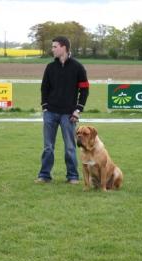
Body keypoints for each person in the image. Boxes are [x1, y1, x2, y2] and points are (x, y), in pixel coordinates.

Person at [35, 36, 89, 184]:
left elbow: (84, 90)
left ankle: (72, 176)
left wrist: (77, 110)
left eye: (54, 47)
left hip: (69, 114)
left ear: (63, 47)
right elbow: (44, 88)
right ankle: (44, 175)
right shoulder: (50, 67)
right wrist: (45, 107)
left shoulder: (78, 67)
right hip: (50, 113)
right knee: (48, 147)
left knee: (70, 147)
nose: (52, 49)